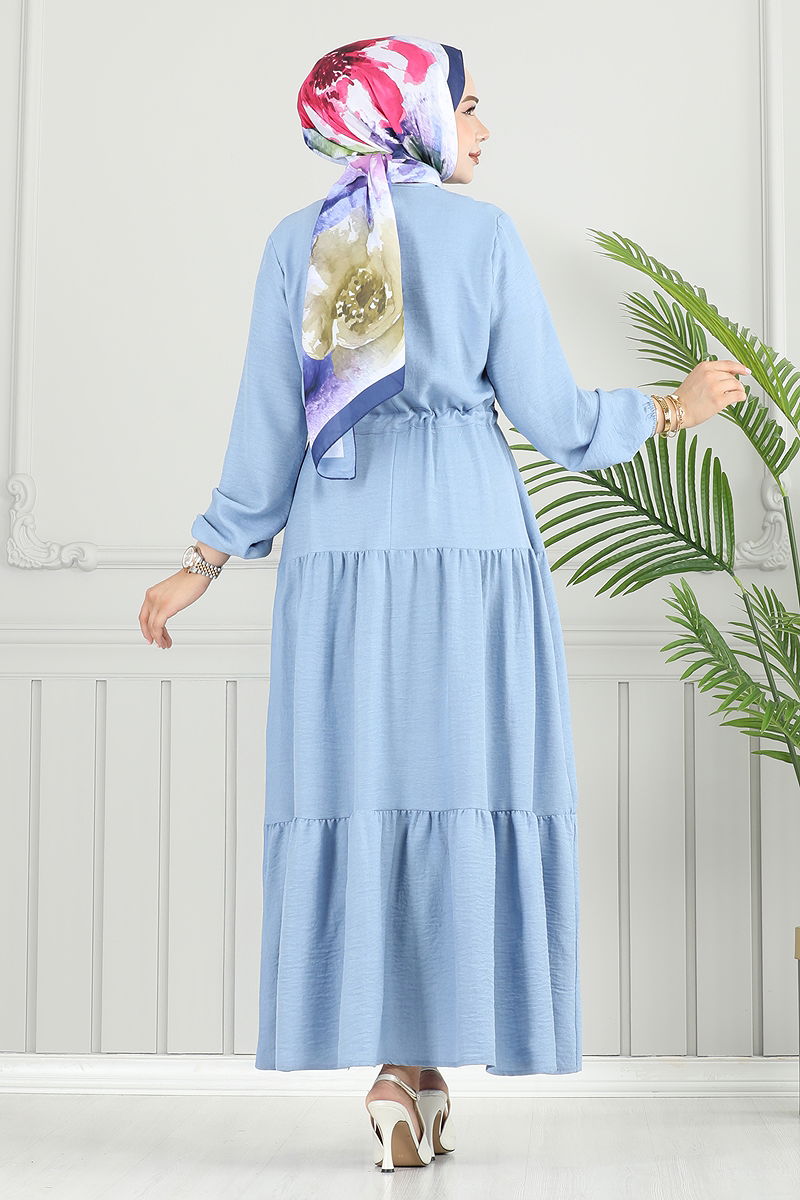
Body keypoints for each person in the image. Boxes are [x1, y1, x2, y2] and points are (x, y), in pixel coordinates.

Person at [138, 35, 749, 1171]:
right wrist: (673, 409)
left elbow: (268, 426)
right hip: (468, 537)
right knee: (462, 776)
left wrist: (205, 561)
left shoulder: (299, 240)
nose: (482, 129)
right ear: (407, 113)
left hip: (341, 544)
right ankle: (410, 1069)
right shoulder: (482, 235)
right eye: (465, 106)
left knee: (366, 779)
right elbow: (557, 420)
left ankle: (403, 1071)